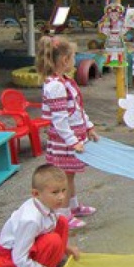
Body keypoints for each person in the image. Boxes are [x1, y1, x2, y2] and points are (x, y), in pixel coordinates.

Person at [37, 35, 99, 230]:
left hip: (73, 138)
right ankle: (64, 218)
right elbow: (60, 120)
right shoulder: (55, 86)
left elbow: (78, 109)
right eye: (73, 57)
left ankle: (74, 206)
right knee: (63, 178)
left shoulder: (65, 81)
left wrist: (88, 126)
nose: (74, 61)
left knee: (70, 176)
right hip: (64, 142)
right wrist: (73, 141)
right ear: (65, 60)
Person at [0, 165, 81, 267]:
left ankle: (49, 263)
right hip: (11, 261)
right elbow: (19, 258)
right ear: (36, 194)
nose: (62, 197)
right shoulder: (30, 220)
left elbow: (50, 225)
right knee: (53, 240)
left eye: (64, 190)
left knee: (61, 221)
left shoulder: (46, 203)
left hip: (26, 249)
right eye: (55, 192)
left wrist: (65, 248)